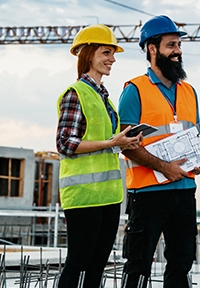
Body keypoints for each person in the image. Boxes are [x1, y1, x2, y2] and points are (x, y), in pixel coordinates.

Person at [118, 15, 200, 288]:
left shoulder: (189, 91)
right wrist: (164, 167)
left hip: (184, 191)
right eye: (171, 45)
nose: (178, 51)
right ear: (152, 49)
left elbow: (197, 135)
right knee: (139, 264)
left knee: (182, 263)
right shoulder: (134, 90)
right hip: (147, 194)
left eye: (179, 45)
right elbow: (126, 145)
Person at [56, 24, 142, 288]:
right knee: (78, 265)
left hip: (107, 195)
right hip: (84, 197)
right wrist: (110, 141)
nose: (112, 59)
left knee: (96, 267)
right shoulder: (76, 94)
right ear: (89, 54)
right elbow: (65, 143)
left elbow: (106, 143)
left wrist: (125, 141)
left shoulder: (104, 97)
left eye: (113, 54)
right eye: (106, 52)